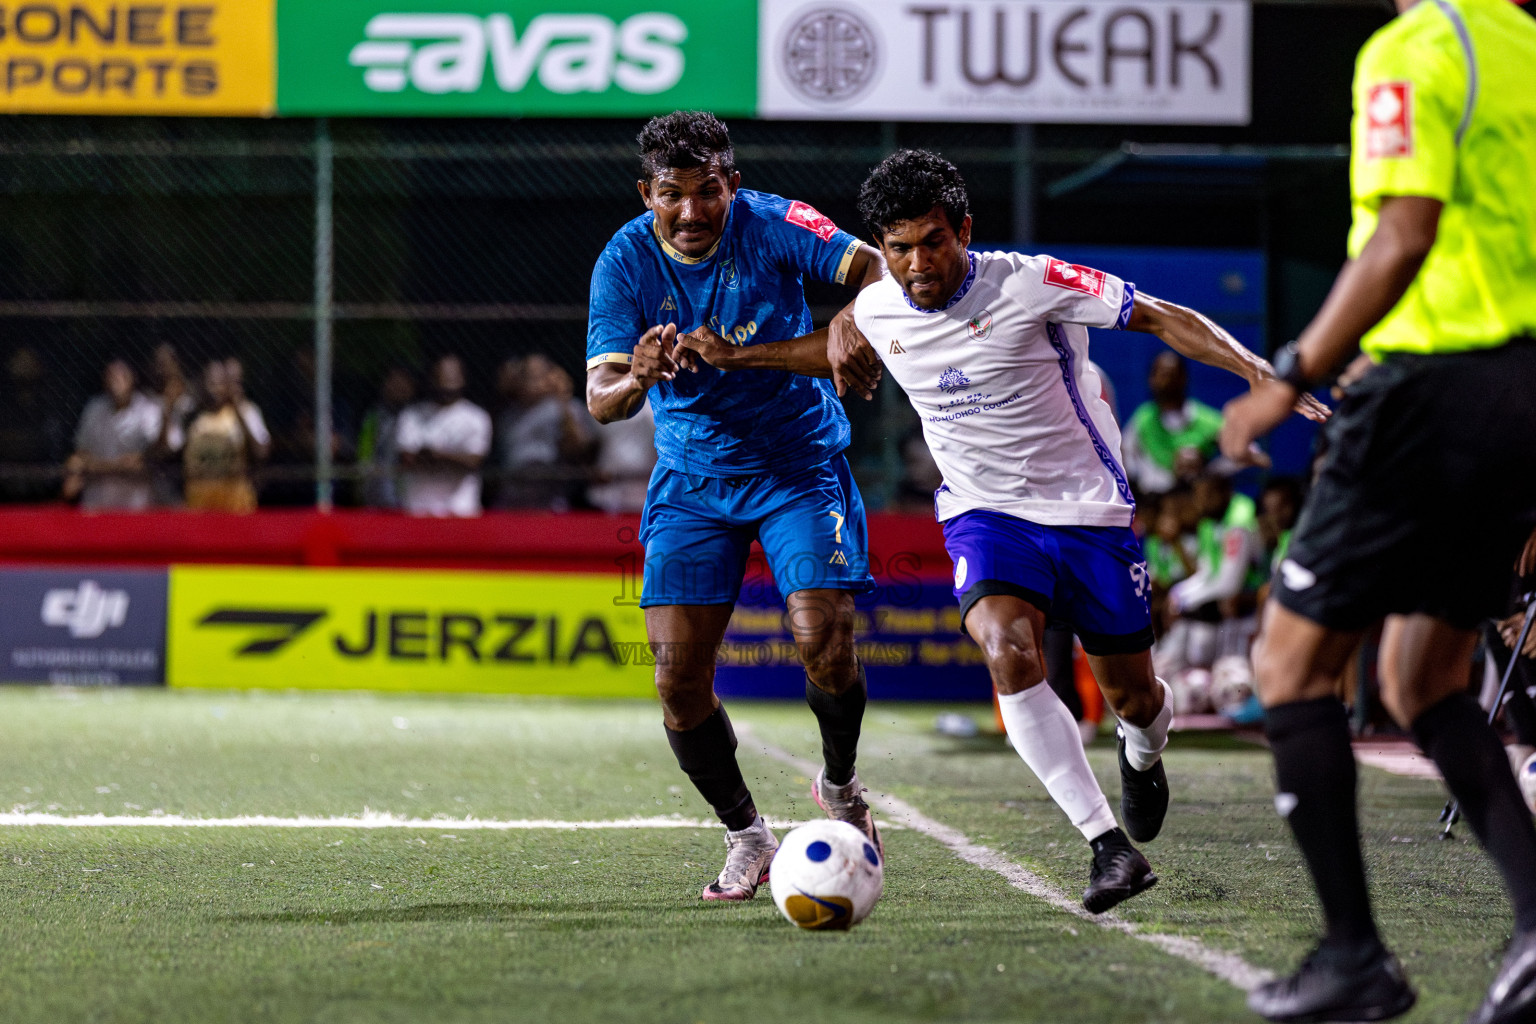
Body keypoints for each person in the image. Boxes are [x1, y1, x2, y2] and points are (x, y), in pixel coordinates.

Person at [677, 149, 1327, 913]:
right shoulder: (880, 305)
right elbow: (832, 345)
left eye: (933, 242)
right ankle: (1106, 847)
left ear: (965, 231)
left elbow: (1157, 315)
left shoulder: (1029, 280)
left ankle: (1143, 753)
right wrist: (740, 357)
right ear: (880, 247)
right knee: (1007, 652)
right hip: (984, 515)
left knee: (1135, 696)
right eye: (899, 247)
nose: (917, 264)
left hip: (1087, 511)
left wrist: (1258, 370)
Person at [1220, 0, 1536, 1018]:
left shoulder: (1415, 47)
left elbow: (1404, 236)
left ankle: (1355, 954)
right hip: (1519, 394)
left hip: (1432, 396)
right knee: (1423, 676)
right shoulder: (1525, 49)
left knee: (1290, 664)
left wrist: (1291, 373)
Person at [584, 110, 886, 902]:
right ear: (646, 192)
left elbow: (881, 270)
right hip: (693, 481)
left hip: (796, 464)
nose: (691, 211)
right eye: (672, 194)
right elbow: (601, 400)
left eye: (708, 191)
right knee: (678, 680)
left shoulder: (778, 222)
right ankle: (748, 835)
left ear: (733, 185)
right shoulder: (622, 261)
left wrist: (851, 315)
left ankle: (842, 786)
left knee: (822, 637)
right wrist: (640, 376)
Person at [495, 353, 597, 510]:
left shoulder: (565, 408)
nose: (533, 382)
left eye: (539, 375)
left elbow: (580, 448)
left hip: (550, 497)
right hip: (513, 498)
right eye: (527, 375)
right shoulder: (509, 413)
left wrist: (562, 398)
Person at [396, 354, 491, 518]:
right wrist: (452, 458)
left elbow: (473, 461)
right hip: (419, 510)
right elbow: (407, 458)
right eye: (440, 378)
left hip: (460, 510)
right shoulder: (411, 415)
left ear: (462, 380)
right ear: (431, 379)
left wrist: (434, 455)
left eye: (452, 378)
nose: (446, 384)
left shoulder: (476, 417)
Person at [63, 359, 162, 511]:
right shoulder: (94, 408)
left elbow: (146, 461)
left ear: (132, 379)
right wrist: (119, 467)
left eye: (121, 376)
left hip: (134, 506)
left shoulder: (147, 409)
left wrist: (95, 467)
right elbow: (80, 455)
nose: (115, 381)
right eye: (111, 376)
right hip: (96, 504)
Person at [1121, 352, 1224, 495]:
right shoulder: (1144, 418)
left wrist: (1209, 472)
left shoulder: (1207, 419)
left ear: (1184, 378)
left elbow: (1241, 453)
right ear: (1151, 379)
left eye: (1172, 375)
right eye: (1161, 375)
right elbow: (1124, 453)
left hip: (1197, 498)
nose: (1166, 381)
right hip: (1157, 500)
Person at [183, 358, 268, 513]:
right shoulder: (193, 418)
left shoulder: (247, 411)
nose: (215, 388)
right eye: (210, 382)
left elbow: (261, 452)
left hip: (236, 506)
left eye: (220, 382)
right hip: (199, 506)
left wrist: (237, 410)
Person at [356, 367, 415, 509]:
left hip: (408, 496)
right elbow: (363, 455)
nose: (398, 386)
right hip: (375, 493)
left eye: (403, 382)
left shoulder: (417, 416)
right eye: (393, 381)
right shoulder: (373, 417)